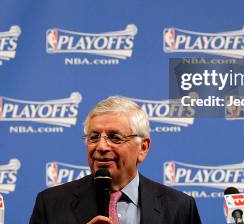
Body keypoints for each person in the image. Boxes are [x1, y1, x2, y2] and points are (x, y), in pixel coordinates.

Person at [29, 96, 202, 224]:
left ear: (143, 147)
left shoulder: (179, 208)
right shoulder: (51, 204)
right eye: (94, 137)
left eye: (115, 137)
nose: (101, 147)